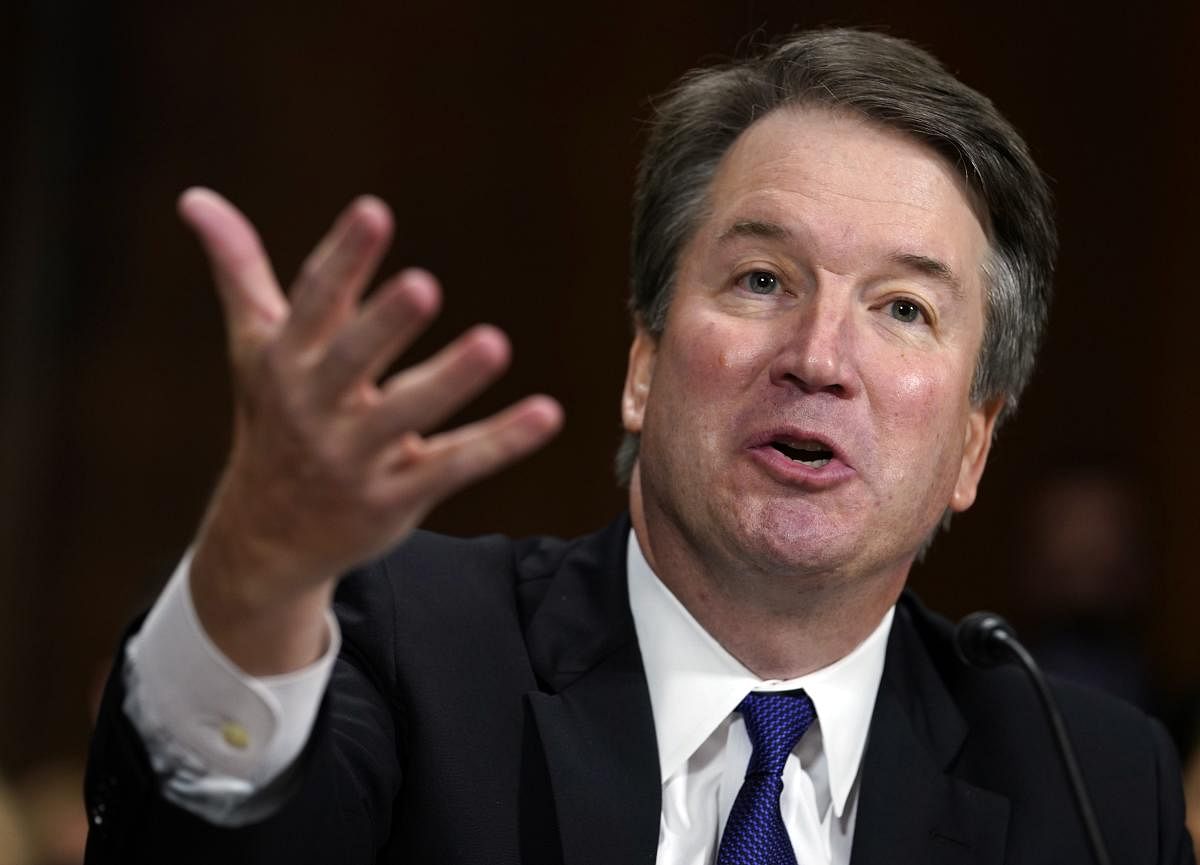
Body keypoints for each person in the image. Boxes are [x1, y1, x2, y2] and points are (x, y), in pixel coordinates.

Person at [83, 27, 1193, 864]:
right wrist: (259, 567)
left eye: (903, 308)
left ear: (973, 446)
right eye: (762, 280)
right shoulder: (403, 642)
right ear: (644, 365)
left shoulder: (1088, 785)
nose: (819, 354)